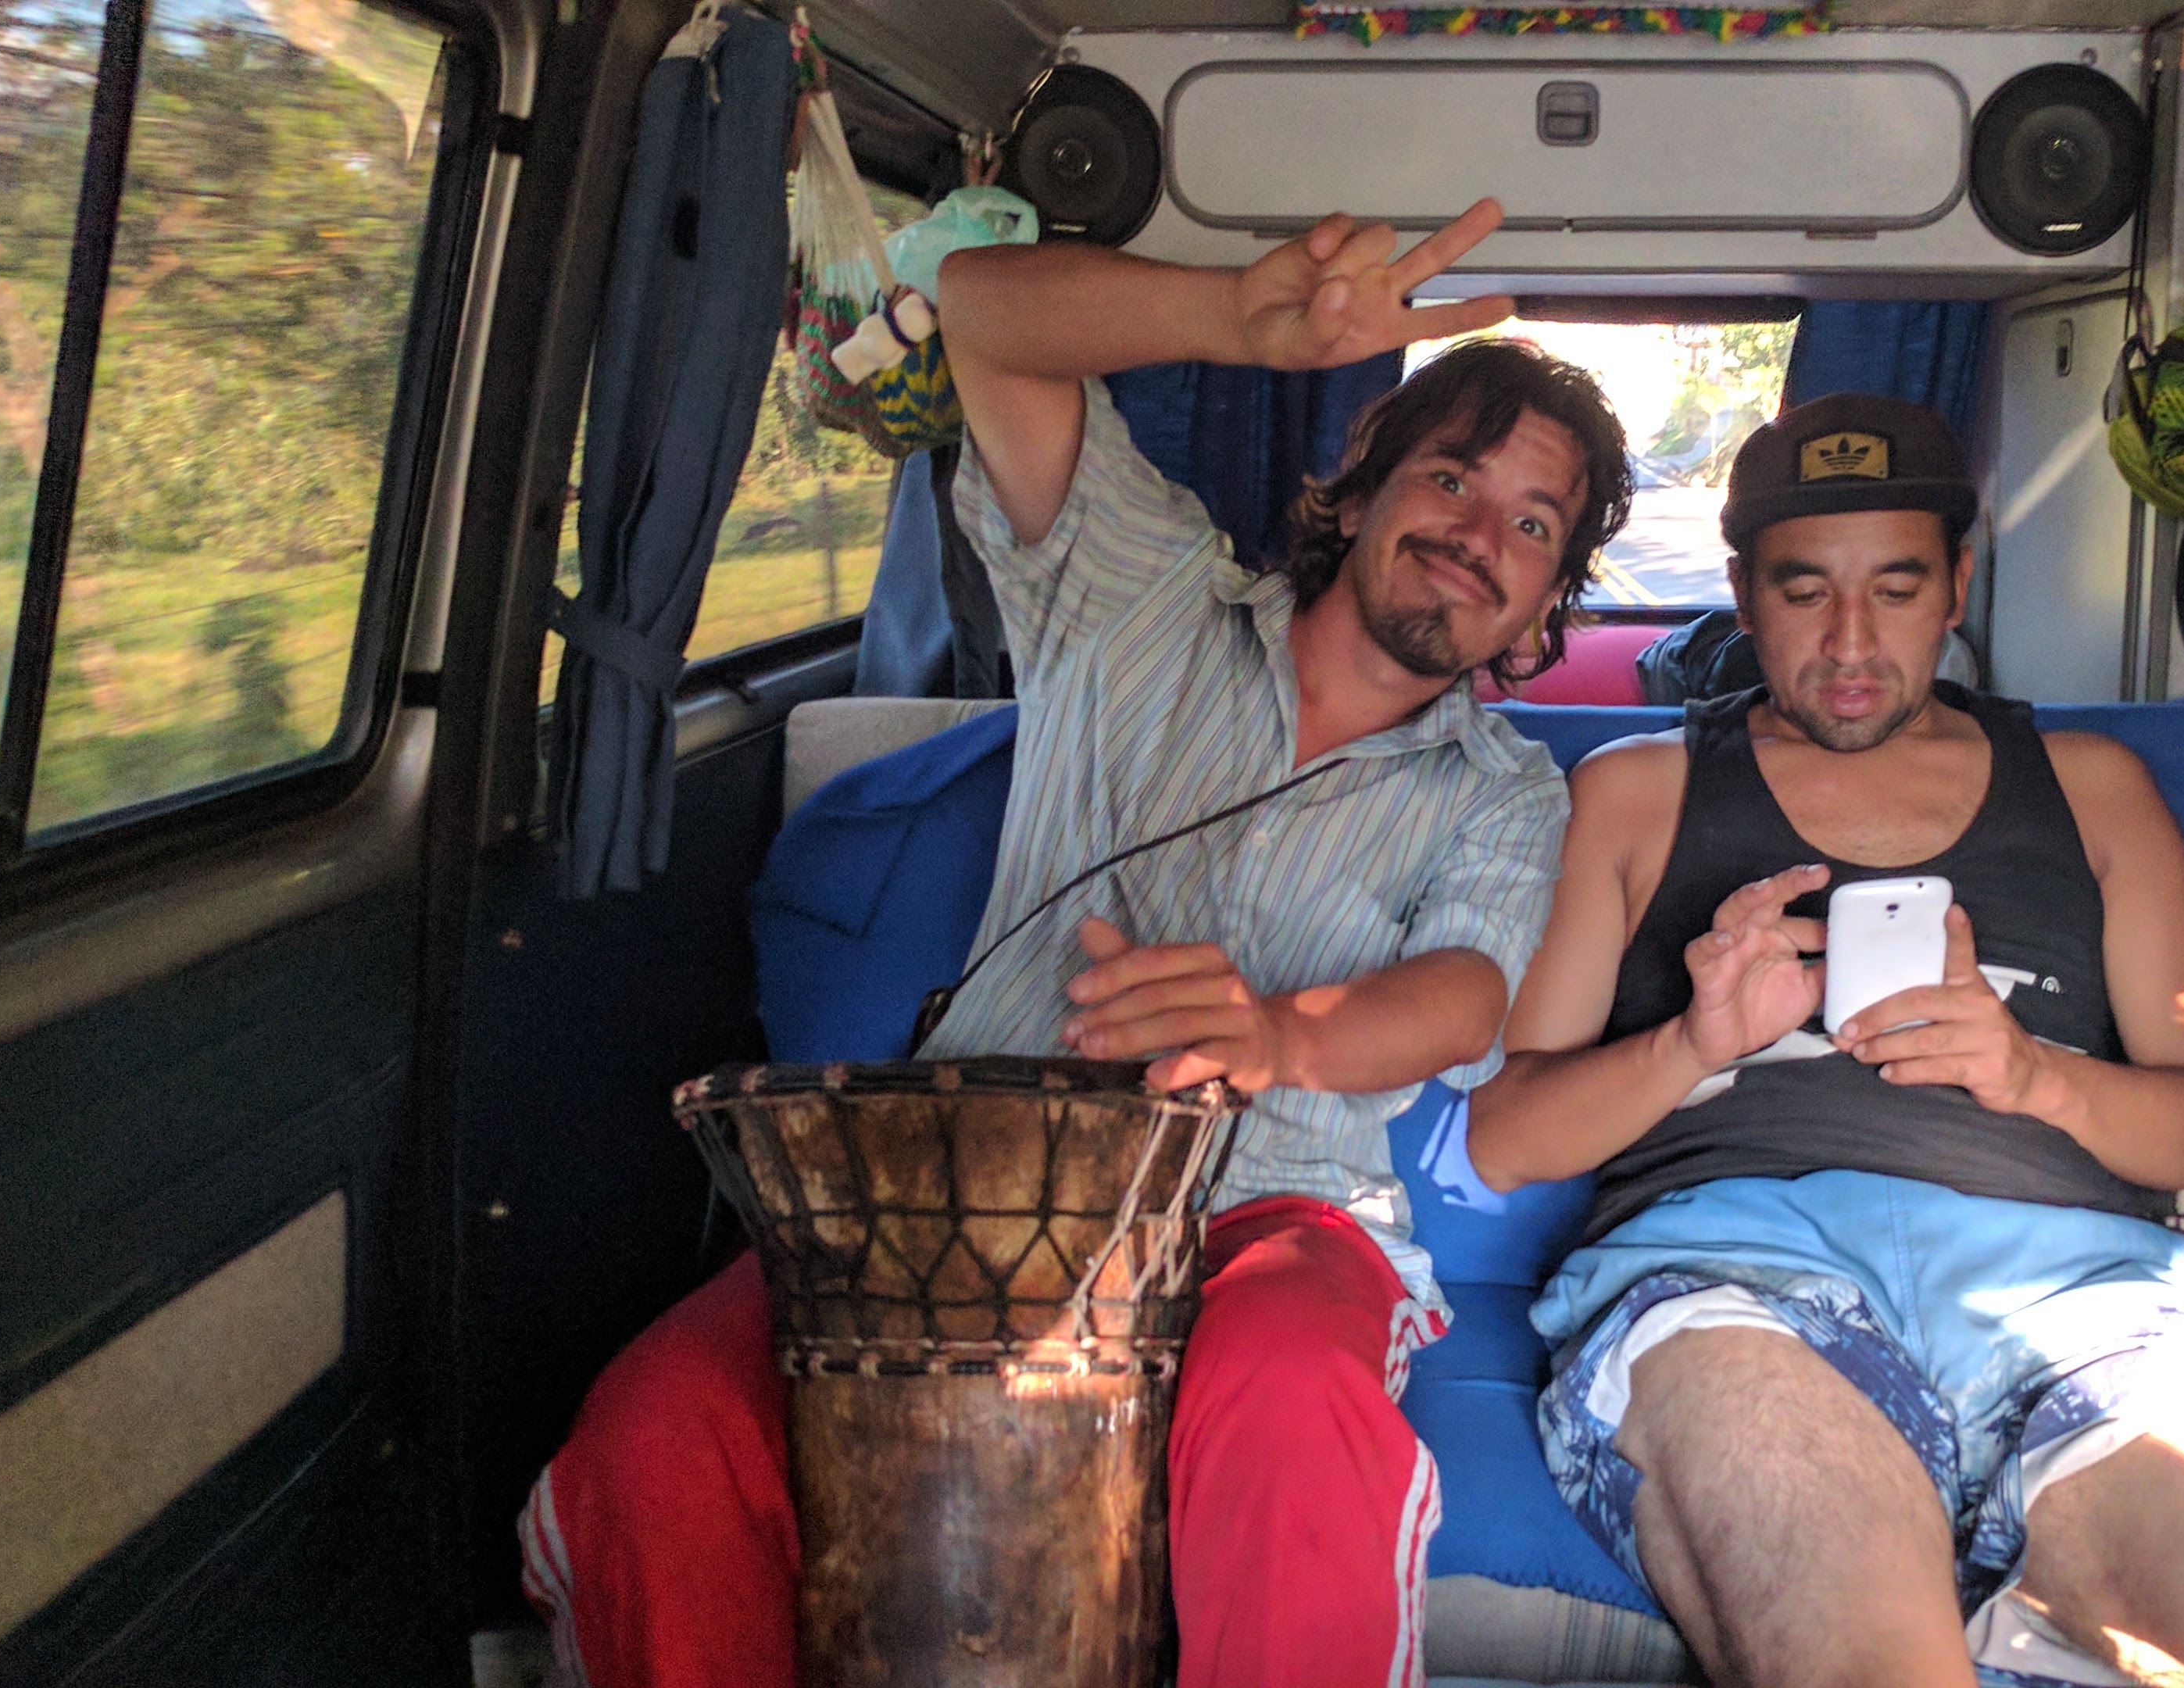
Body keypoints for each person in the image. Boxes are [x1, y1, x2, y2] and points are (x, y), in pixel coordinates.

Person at [520, 200, 1635, 1688]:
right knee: (664, 1432)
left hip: (1270, 1216)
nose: (1478, 537)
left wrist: (1285, 1035)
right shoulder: (1141, 591)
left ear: (1546, 604)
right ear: (1365, 488)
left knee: (1295, 1414)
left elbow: (1465, 997)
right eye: (1450, 476)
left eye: (1534, 527)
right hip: (951, 1172)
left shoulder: (1503, 790)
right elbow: (980, 309)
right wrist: (1235, 318)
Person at [1466, 394, 2184, 1688]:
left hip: (2087, 1296)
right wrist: (1692, 1044)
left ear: (1955, 585)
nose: (1849, 642)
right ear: (1744, 595)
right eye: (1803, 590)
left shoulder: (2093, 789)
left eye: (1895, 589)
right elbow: (1505, 1137)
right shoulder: (1635, 792)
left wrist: (2035, 1074)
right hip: (1731, 1281)